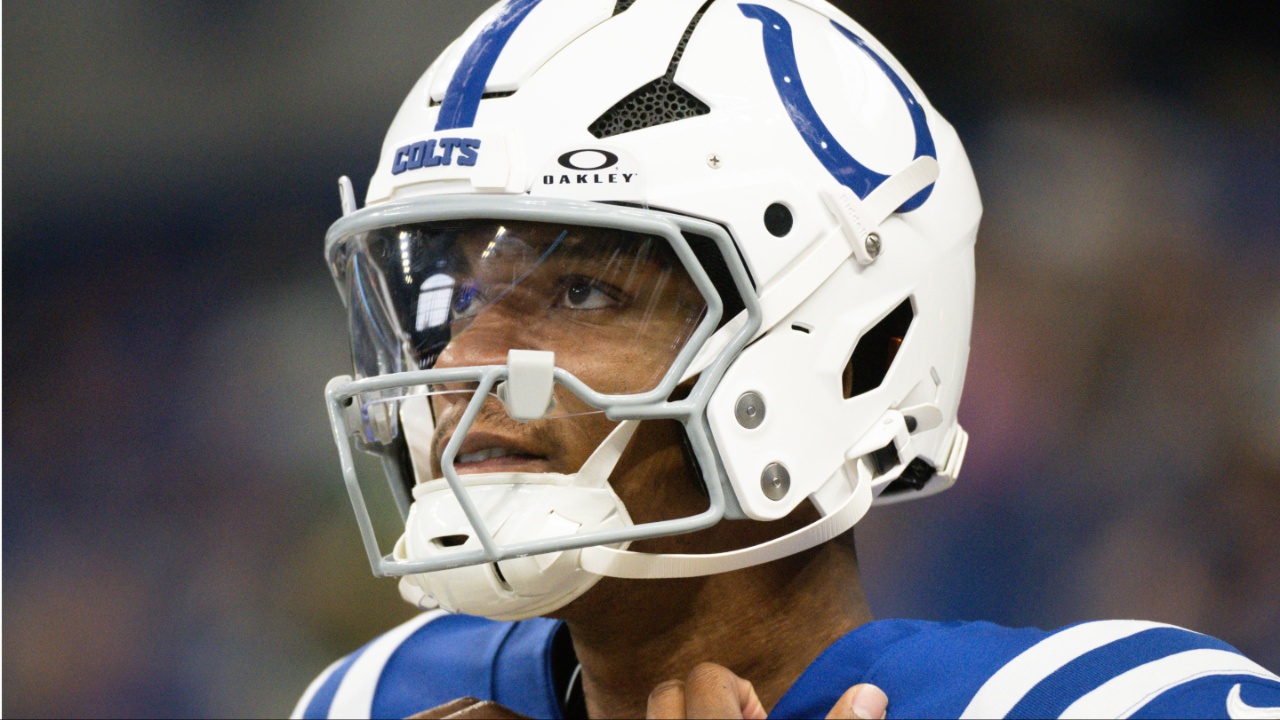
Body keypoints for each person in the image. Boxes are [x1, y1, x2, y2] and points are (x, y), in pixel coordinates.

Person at [294, 1, 1280, 718]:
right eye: (453, 295)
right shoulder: (379, 695)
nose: (464, 356)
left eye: (580, 289)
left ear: (846, 344)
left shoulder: (1116, 707)